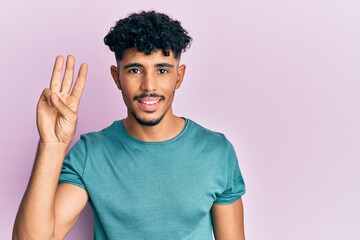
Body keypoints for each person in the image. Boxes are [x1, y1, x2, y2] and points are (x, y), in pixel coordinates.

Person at [13, 10, 246, 240]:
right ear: (117, 77)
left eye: (162, 70)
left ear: (179, 76)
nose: (149, 85)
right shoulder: (91, 154)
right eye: (135, 70)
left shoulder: (216, 152)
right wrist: (51, 144)